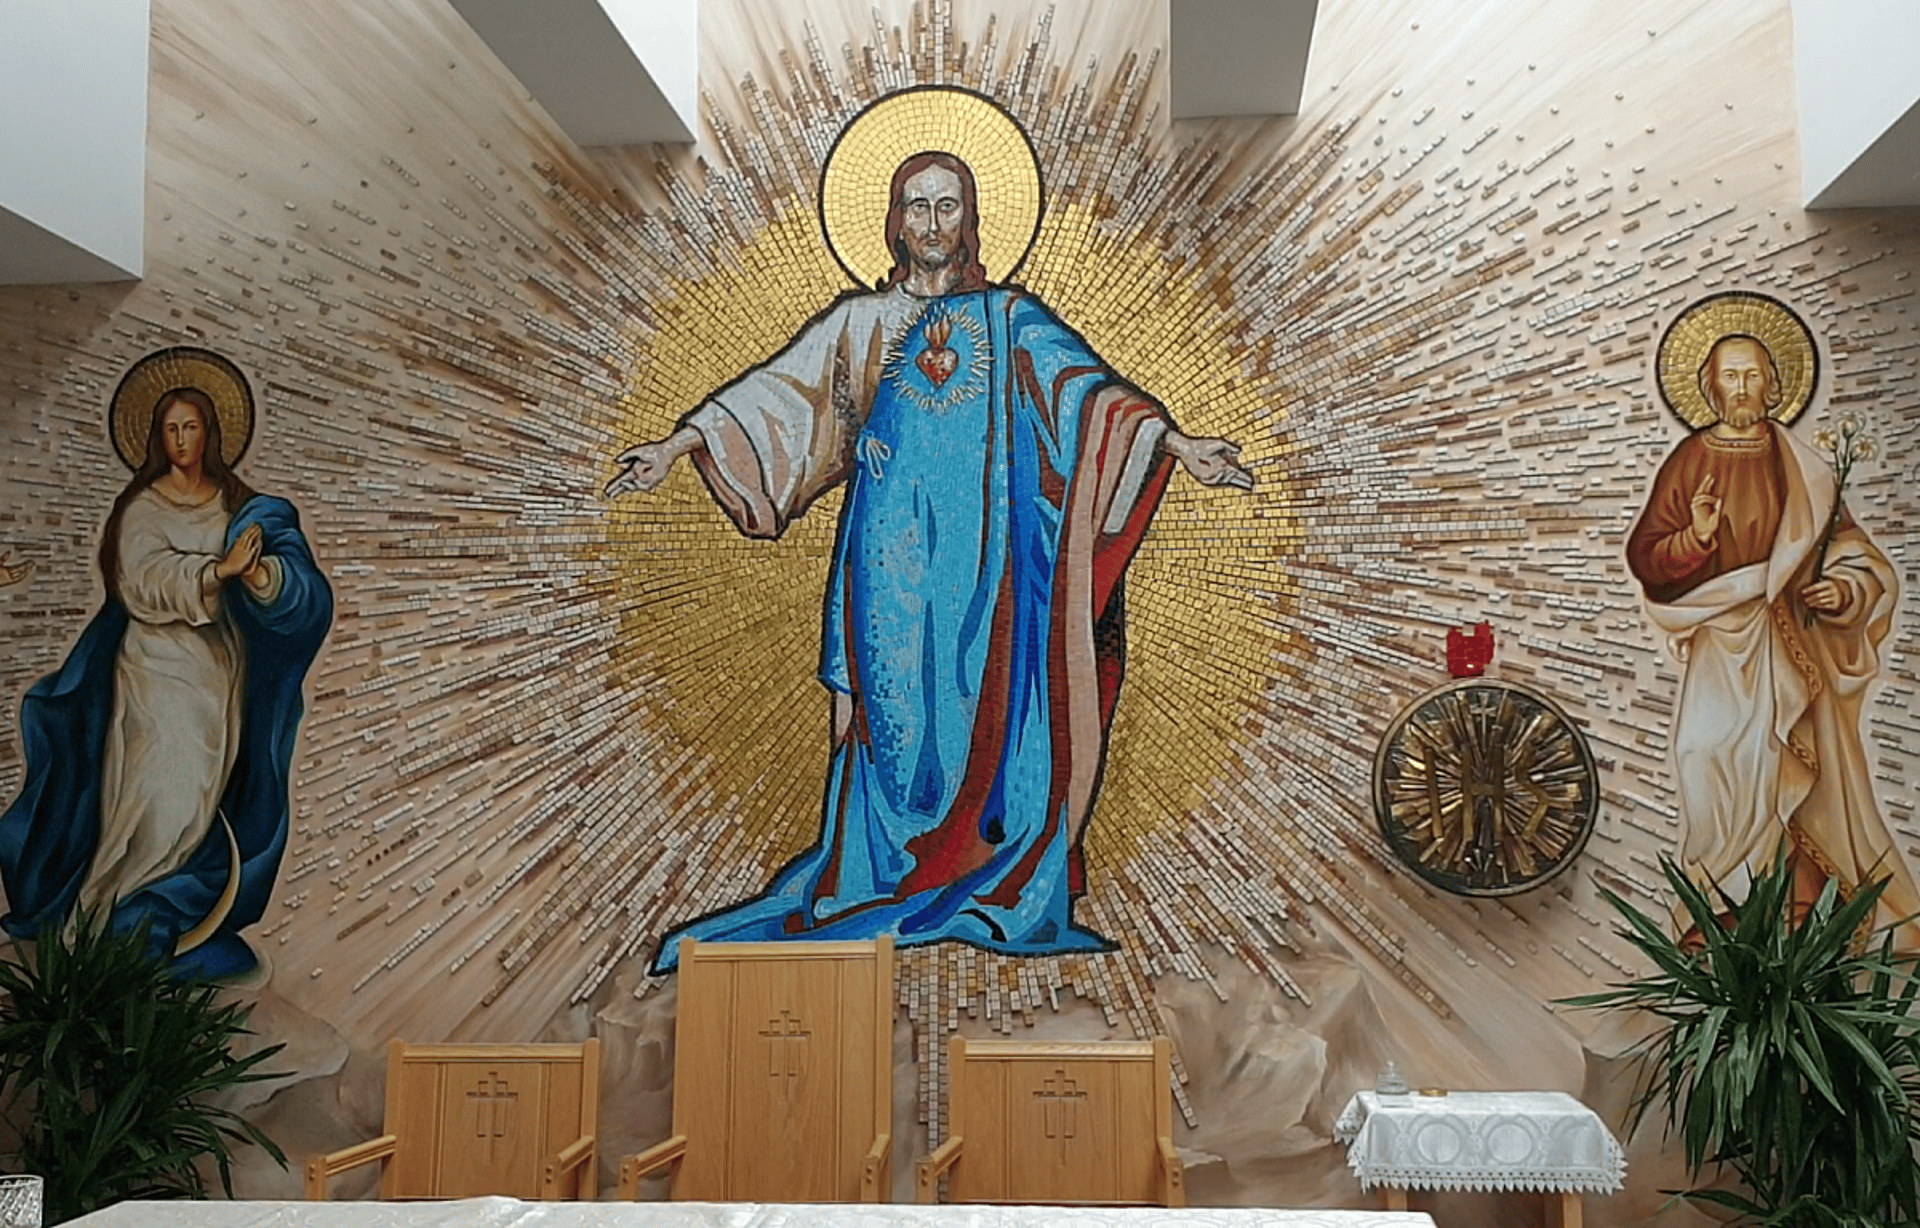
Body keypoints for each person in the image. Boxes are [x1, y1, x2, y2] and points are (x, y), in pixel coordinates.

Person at [607, 152, 1253, 972]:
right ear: (894, 220)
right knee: (892, 716)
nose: (933, 224)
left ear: (971, 219)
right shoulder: (861, 323)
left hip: (987, 566)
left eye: (949, 207)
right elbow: (780, 394)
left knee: (984, 708)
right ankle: (877, 873)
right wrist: (680, 444)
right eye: (917, 207)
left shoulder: (1012, 320)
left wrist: (1175, 441)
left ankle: (980, 862)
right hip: (887, 565)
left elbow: (1089, 394)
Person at [0, 385, 332, 979]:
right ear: (157, 438)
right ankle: (104, 912)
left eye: (192, 428)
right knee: (154, 797)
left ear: (211, 434)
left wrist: (259, 578)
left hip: (215, 673)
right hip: (153, 670)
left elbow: (289, 581)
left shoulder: (240, 506)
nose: (182, 442)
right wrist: (215, 571)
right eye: (171, 430)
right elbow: (141, 582)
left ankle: (151, 915)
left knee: (199, 803)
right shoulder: (144, 508)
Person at [1626, 333, 1917, 931]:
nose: (1740, 389)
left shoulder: (1803, 467)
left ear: (1774, 386)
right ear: (1709, 387)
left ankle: (1798, 916)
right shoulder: (1689, 460)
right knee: (1705, 756)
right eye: (1729, 377)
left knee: (1788, 771)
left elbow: (1852, 552)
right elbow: (1647, 556)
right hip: (1719, 637)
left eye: (1752, 376)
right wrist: (1697, 538)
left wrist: (1842, 589)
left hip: (1790, 642)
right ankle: (1723, 915)